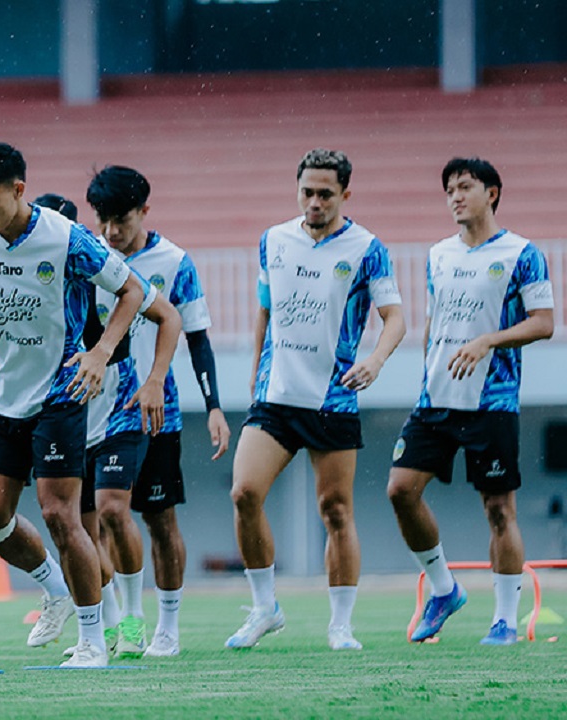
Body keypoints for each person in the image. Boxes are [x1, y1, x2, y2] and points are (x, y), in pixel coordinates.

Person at [0, 143, 155, 667]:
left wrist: (101, 352)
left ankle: (93, 640)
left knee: (62, 515)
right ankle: (54, 587)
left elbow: (133, 291)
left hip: (60, 393)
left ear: (19, 190)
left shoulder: (67, 239)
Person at [227, 148, 405, 651]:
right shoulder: (273, 241)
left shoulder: (367, 248)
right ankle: (265, 607)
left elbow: (395, 317)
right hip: (275, 397)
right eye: (307, 192)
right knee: (244, 493)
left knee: (335, 510)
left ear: (345, 194)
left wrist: (375, 360)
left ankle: (340, 625)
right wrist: (255, 370)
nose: (315, 202)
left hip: (333, 399)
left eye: (326, 194)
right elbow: (264, 310)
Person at [387, 157, 554, 646]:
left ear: (492, 193)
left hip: (492, 402)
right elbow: (434, 322)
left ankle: (504, 620)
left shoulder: (522, 253)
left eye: (464, 187)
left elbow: (544, 322)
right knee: (400, 491)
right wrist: (427, 372)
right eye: (449, 191)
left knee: (499, 509)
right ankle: (444, 590)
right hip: (435, 400)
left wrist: (488, 341)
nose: (455, 197)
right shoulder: (438, 255)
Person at [86, 166, 232, 658]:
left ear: (144, 211)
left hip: (156, 412)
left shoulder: (174, 262)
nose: (111, 231)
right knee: (105, 514)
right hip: (97, 409)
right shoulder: (90, 258)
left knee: (159, 519)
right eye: (103, 220)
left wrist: (214, 406)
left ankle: (167, 626)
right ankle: (120, 622)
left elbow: (199, 339)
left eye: (121, 220)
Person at [32, 192, 181, 663]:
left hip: (120, 408)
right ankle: (110, 621)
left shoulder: (107, 271)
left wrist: (155, 380)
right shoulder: (30, 285)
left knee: (115, 509)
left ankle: (135, 619)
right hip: (68, 415)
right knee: (78, 528)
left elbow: (169, 316)